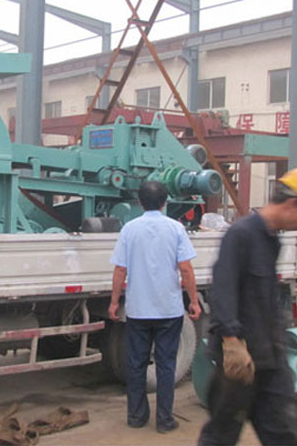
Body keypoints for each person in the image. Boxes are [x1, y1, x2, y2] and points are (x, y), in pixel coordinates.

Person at [198, 167, 297, 446]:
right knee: (220, 437)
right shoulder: (241, 235)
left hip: (270, 360)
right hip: (241, 363)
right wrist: (231, 342)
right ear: (292, 203)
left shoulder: (271, 239)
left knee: (287, 436)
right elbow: (223, 290)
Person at [108, 181, 201, 434]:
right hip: (168, 310)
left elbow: (120, 270)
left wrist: (114, 301)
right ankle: (164, 420)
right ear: (165, 202)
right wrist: (193, 300)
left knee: (136, 364)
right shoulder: (176, 228)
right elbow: (186, 269)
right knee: (166, 365)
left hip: (138, 310)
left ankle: (136, 417)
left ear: (139, 202)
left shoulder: (129, 229)